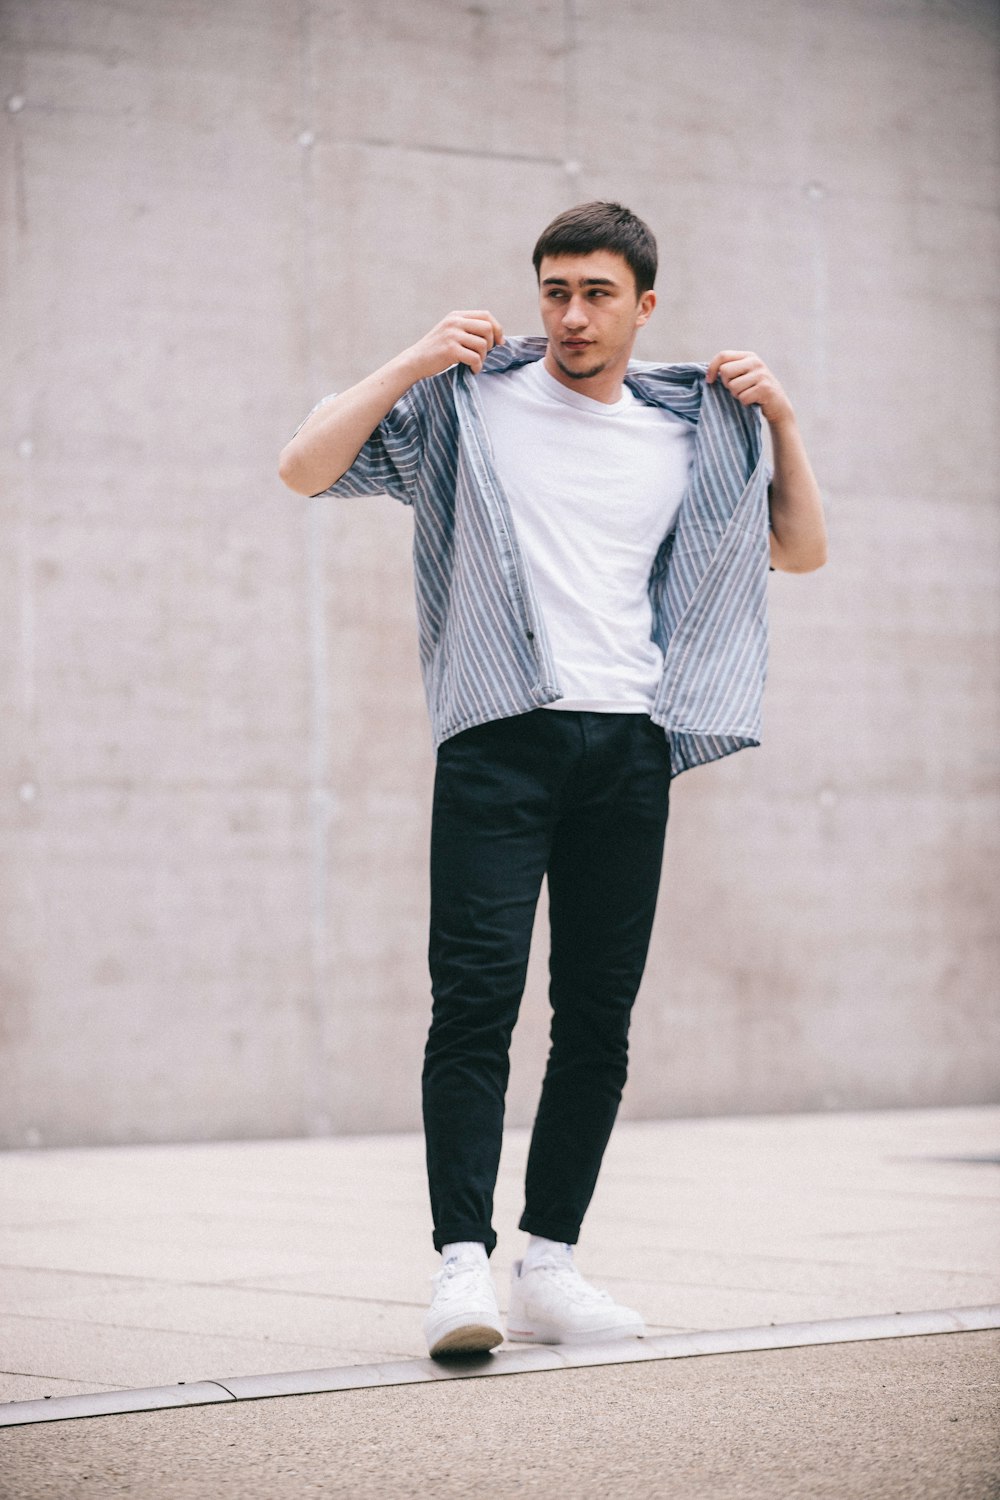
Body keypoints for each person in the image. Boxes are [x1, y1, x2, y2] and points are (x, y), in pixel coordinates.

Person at [279, 201, 827, 1358]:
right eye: (554, 292)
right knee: (473, 1000)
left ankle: (553, 1263)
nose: (571, 316)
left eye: (595, 295)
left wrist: (780, 413)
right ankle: (460, 1268)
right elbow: (303, 464)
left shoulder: (695, 427)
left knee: (596, 1017)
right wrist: (419, 355)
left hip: (629, 742)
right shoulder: (468, 404)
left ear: (645, 307)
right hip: (497, 734)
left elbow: (800, 548)